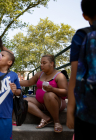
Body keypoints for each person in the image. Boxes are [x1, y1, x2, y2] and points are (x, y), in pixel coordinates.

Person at [66, 0, 96, 139]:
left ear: (85, 15)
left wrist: (71, 109)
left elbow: (75, 76)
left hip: (88, 111)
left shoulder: (82, 35)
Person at [20, 54, 67, 133]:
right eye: (41, 63)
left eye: (44, 63)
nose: (41, 65)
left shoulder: (60, 76)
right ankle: (45, 117)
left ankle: (57, 122)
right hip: (41, 103)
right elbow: (28, 82)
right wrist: (15, 82)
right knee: (23, 101)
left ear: (51, 64)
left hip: (57, 103)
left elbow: (65, 92)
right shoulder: (40, 74)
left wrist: (53, 89)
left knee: (49, 94)